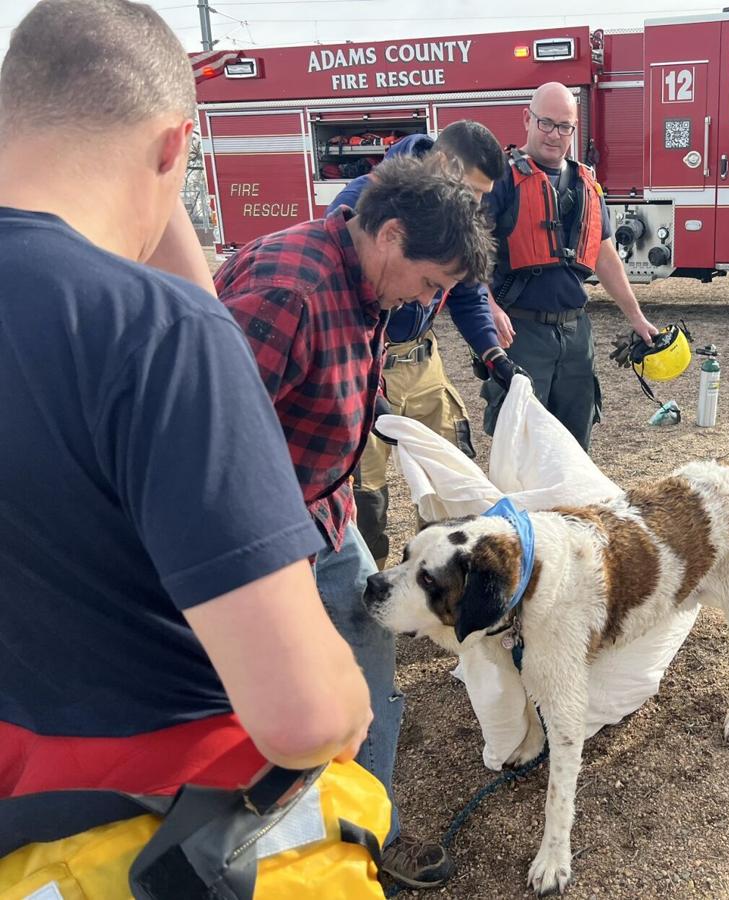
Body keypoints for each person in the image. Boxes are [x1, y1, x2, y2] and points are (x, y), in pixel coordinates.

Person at [0, 0, 383, 893]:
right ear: (177, 149)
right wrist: (345, 687)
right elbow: (301, 717)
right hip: (165, 839)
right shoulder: (156, 334)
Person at [215, 152, 493, 890]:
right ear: (392, 235)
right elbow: (206, 446)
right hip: (260, 538)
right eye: (431, 283)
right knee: (269, 704)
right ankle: (252, 853)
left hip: (325, 514)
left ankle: (369, 829)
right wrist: (266, 576)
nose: (425, 301)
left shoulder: (367, 284)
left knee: (369, 655)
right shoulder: (290, 290)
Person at [327, 121, 518, 569]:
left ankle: (437, 578)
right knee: (364, 489)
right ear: (445, 164)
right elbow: (340, 297)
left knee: (451, 464)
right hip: (368, 360)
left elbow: (467, 291)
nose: (475, 203)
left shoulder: (452, 209)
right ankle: (365, 589)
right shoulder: (364, 201)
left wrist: (493, 354)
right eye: (472, 189)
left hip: (421, 357)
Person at [482, 81, 658, 451]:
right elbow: (468, 254)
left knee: (575, 446)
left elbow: (605, 257)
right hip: (520, 333)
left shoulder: (586, 183)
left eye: (564, 127)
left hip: (576, 334)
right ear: (527, 118)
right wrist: (490, 309)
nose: (554, 135)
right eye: (546, 123)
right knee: (521, 446)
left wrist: (637, 318)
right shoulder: (500, 180)